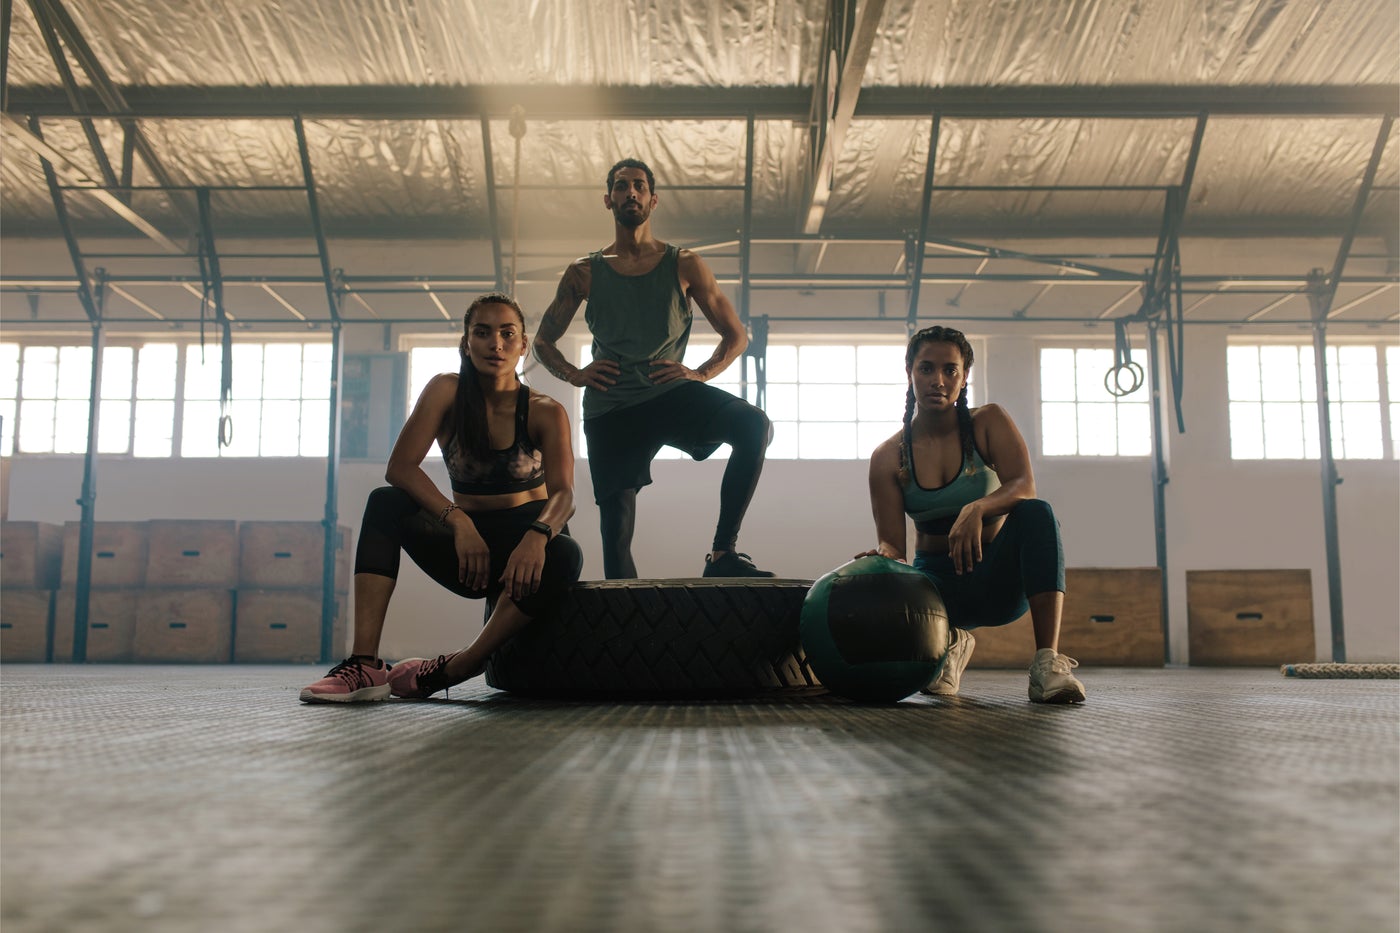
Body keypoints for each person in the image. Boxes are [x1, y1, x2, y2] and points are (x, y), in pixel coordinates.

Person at [301, 293, 583, 703]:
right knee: (386, 502)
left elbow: (565, 494)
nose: (495, 344)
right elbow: (400, 467)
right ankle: (365, 666)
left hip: (527, 551)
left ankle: (460, 665)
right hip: (468, 548)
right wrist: (458, 521)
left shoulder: (544, 410)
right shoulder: (445, 391)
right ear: (466, 343)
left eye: (508, 334)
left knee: (568, 554)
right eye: (482, 333)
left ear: (523, 345)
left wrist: (538, 535)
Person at [532, 157, 774, 580]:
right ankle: (626, 628)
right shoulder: (584, 273)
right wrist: (575, 374)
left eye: (639, 186)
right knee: (616, 531)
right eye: (622, 186)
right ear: (608, 200)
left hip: (669, 392)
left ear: (652, 199)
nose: (631, 193)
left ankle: (722, 553)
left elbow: (736, 336)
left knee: (754, 426)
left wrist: (699, 374)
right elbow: (541, 341)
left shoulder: (684, 264)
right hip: (611, 409)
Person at [858, 325, 1087, 704]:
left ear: (965, 377)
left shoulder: (988, 422)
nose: (938, 380)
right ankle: (948, 641)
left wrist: (977, 508)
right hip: (938, 593)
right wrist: (880, 559)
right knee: (884, 575)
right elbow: (892, 545)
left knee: (1037, 513)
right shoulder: (888, 456)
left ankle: (1047, 665)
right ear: (909, 372)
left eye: (950, 370)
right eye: (926, 369)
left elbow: (1024, 485)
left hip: (998, 581)